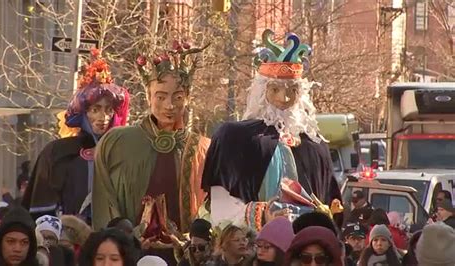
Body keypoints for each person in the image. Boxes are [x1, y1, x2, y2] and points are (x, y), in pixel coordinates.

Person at [202, 29, 341, 230]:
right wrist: (262, 216)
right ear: (261, 91)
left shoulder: (315, 146)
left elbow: (331, 207)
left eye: (292, 90)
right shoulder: (236, 138)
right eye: (275, 89)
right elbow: (222, 206)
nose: (284, 99)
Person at [92, 41, 210, 264]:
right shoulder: (116, 143)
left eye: (178, 97)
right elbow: (105, 199)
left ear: (188, 97)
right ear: (148, 96)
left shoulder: (203, 148)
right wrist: (125, 241)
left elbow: (211, 210)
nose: (169, 105)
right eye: (161, 96)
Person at [22, 49, 129, 223]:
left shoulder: (123, 153)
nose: (103, 117)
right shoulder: (58, 152)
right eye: (96, 109)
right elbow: (42, 212)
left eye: (108, 110)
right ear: (83, 113)